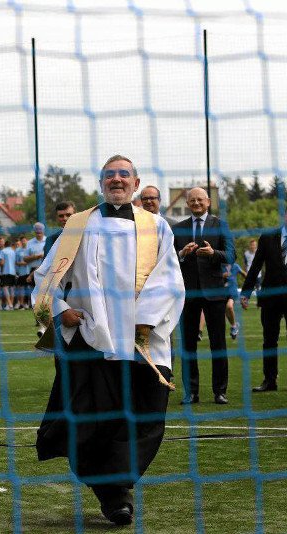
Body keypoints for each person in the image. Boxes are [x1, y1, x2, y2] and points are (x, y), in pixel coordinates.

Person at [32, 154, 184, 526]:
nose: (117, 180)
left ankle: (116, 485)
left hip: (142, 340)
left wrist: (145, 322)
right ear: (101, 183)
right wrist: (60, 309)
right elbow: (46, 276)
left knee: (146, 416)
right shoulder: (78, 225)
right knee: (90, 423)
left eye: (124, 175)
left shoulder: (156, 226)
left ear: (136, 183)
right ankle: (114, 496)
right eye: (110, 175)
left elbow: (169, 280)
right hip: (92, 338)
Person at [173, 187, 235, 405]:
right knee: (188, 346)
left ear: (208, 202)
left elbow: (231, 255)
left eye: (200, 199)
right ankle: (191, 393)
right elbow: (169, 258)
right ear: (187, 203)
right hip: (188, 294)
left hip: (215, 294)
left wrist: (213, 253)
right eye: (192, 200)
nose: (196, 203)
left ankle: (220, 392)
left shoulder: (220, 225)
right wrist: (182, 253)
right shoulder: (178, 228)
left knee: (218, 344)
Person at [241, 210, 287, 393]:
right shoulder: (267, 237)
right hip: (270, 298)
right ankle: (270, 380)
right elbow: (256, 265)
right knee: (269, 341)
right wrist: (246, 292)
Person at [223, 262, 245, 340]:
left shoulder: (235, 266)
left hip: (232, 293)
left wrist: (249, 284)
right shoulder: (218, 266)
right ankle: (234, 326)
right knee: (224, 314)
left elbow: (244, 274)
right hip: (221, 294)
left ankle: (234, 326)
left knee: (229, 306)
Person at [0, 237, 16, 310]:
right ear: (10, 245)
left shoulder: (3, 251)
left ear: (5, 245)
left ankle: (9, 304)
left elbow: (2, 262)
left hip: (5, 271)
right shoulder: (13, 251)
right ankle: (11, 305)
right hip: (13, 272)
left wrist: (1, 270)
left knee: (5, 288)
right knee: (12, 289)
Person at [14, 236, 30, 309]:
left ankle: (28, 303)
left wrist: (27, 262)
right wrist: (24, 263)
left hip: (30, 272)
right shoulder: (18, 251)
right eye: (22, 241)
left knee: (29, 288)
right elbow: (16, 262)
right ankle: (21, 304)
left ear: (27, 241)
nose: (23, 242)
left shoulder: (30, 249)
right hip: (21, 272)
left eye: (24, 240)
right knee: (21, 289)